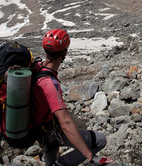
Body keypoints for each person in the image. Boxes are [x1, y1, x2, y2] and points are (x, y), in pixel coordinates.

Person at [30, 29, 113, 166]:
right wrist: (90, 156)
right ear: (65, 52)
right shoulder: (50, 84)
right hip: (50, 132)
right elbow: (66, 123)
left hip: (39, 128)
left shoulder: (37, 68)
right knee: (99, 140)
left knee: (50, 155)